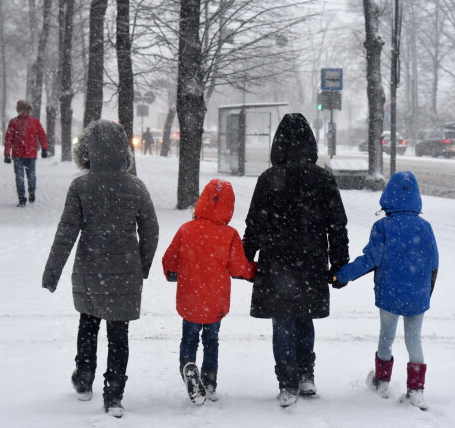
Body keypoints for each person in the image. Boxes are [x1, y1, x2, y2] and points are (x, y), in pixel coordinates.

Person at [41, 119, 159, 418]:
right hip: (125, 270)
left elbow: (67, 230)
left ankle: (83, 378)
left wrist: (53, 270)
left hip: (90, 269)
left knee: (88, 323)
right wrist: (142, 266)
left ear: (88, 150)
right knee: (119, 334)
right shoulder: (135, 186)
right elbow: (151, 229)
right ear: (123, 151)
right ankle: (114, 394)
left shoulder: (81, 186)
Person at [242, 113, 350, 407]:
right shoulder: (323, 178)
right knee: (304, 318)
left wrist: (245, 259)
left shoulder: (269, 178)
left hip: (276, 262)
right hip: (311, 260)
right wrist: (339, 264)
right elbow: (337, 225)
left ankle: (287, 381)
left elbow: (255, 224)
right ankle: (306, 375)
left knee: (283, 322)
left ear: (278, 143)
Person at [333, 171, 439, 411]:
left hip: (389, 293)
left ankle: (381, 382)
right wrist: (425, 293)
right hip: (417, 294)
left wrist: (341, 275)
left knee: (386, 336)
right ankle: (416, 390)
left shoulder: (383, 226)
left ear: (388, 196)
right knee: (414, 339)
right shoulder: (425, 227)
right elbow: (433, 263)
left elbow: (370, 259)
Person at [162, 179, 257, 406]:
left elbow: (170, 259)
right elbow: (238, 267)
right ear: (229, 205)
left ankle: (187, 366)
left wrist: (171, 272)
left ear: (203, 200)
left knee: (189, 338)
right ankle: (209, 380)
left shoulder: (186, 230)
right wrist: (256, 271)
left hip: (190, 297)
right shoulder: (229, 234)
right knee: (211, 341)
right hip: (216, 299)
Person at [3, 100, 48, 207]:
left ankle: (31, 192)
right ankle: (22, 198)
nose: (24, 112)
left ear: (29, 110)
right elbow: (8, 139)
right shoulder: (13, 122)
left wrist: (44, 149)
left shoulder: (34, 121)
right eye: (22, 109)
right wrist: (6, 154)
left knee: (31, 176)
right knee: (19, 177)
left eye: (26, 109)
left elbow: (42, 135)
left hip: (31, 154)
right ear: (19, 110)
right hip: (18, 155)